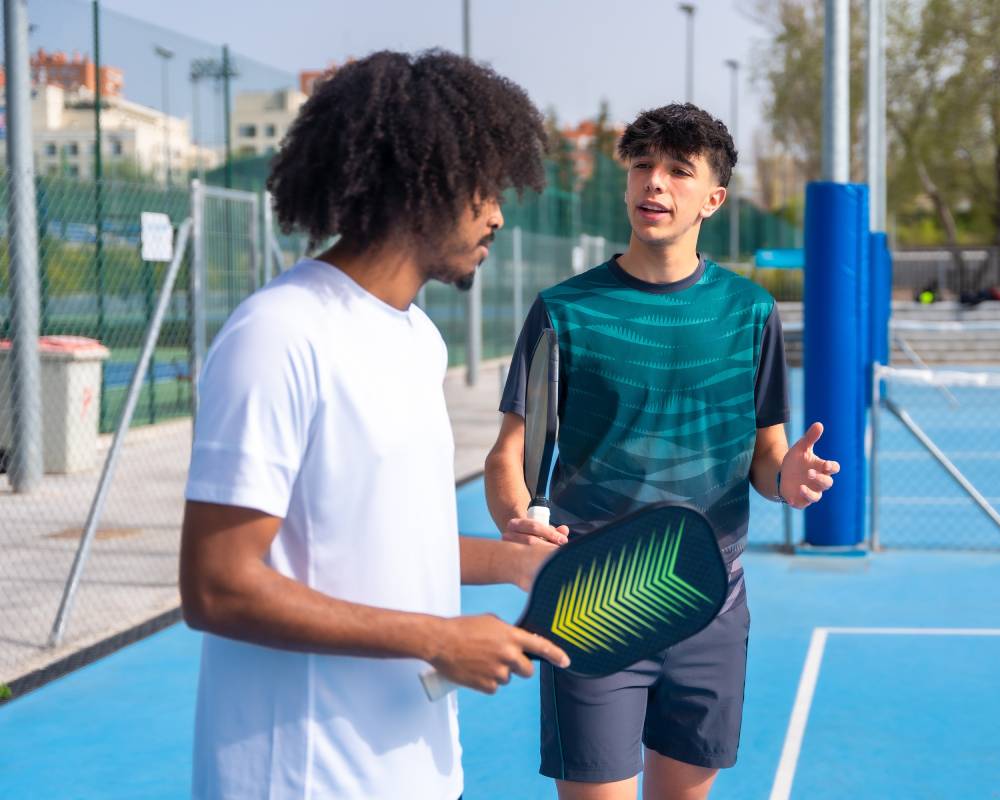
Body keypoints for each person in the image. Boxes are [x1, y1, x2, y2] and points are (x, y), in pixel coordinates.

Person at [179, 51, 569, 800]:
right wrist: (438, 636)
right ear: (415, 184)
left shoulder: (417, 337)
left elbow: (373, 537)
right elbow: (216, 584)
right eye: (482, 187)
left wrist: (514, 564)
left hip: (418, 771)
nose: (496, 214)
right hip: (302, 781)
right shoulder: (279, 334)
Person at [484, 103, 839, 800]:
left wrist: (786, 478)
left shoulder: (751, 312)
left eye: (679, 170)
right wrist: (516, 517)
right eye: (643, 166)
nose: (656, 183)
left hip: (711, 602)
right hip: (594, 601)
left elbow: (765, 454)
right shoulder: (564, 310)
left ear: (713, 198)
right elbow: (510, 451)